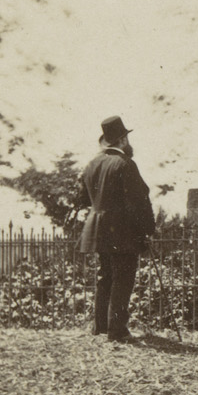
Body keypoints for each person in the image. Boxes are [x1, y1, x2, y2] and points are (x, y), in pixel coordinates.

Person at [78, 115, 155, 343]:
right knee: (123, 278)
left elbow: (83, 199)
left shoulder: (92, 164)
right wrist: (147, 229)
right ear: (122, 140)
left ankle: (101, 326)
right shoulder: (125, 164)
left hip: (98, 229)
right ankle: (118, 330)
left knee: (106, 276)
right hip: (122, 231)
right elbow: (138, 202)